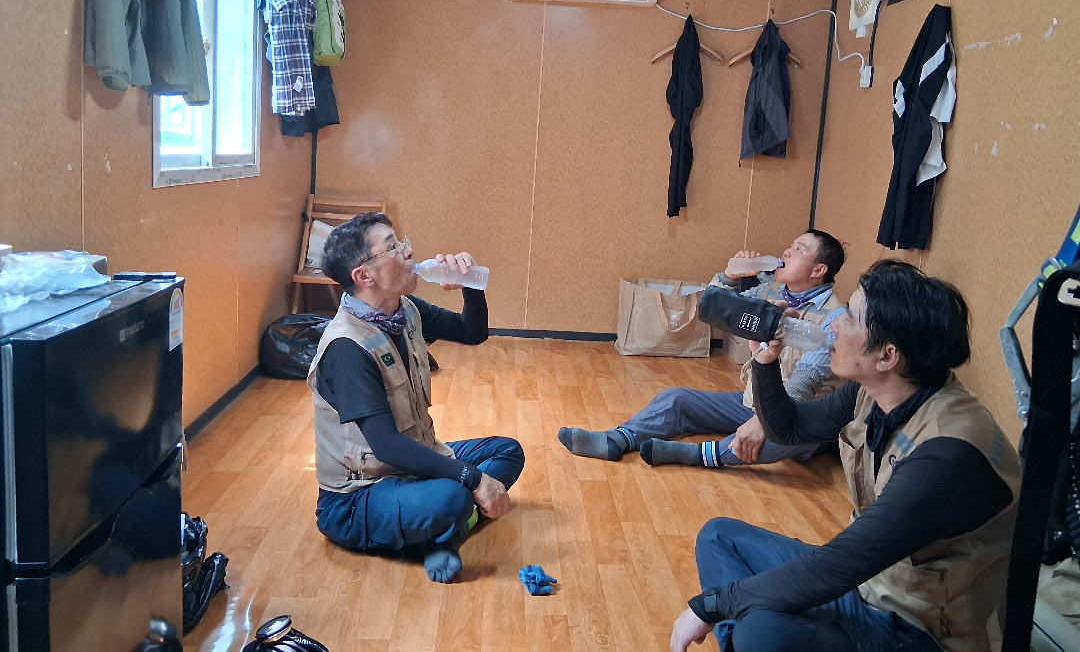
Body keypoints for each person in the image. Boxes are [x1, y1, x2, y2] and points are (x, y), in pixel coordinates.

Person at [670, 260, 1021, 652]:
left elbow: (838, 566)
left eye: (851, 317)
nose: (835, 323)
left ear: (887, 356)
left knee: (761, 630)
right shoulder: (875, 391)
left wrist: (710, 606)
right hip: (870, 585)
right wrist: (765, 362)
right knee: (719, 537)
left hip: (918, 628)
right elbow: (789, 429)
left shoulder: (947, 455)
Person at [307, 212, 525, 583]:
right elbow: (387, 446)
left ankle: (439, 533)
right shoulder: (346, 347)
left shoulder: (403, 310)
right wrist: (473, 479)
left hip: (412, 462)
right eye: (392, 247)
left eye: (401, 242)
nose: (408, 251)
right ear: (364, 275)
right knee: (454, 497)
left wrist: (470, 284)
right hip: (357, 497)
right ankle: (441, 531)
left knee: (508, 452)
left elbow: (472, 332)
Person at [558, 230, 846, 469]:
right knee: (676, 398)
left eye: (798, 249)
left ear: (818, 270)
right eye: (790, 246)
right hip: (754, 401)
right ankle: (620, 438)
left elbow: (804, 383)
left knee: (778, 437)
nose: (787, 252)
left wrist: (762, 423)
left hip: (799, 418)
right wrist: (731, 276)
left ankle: (698, 455)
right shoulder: (770, 290)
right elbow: (713, 307)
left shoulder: (834, 319)